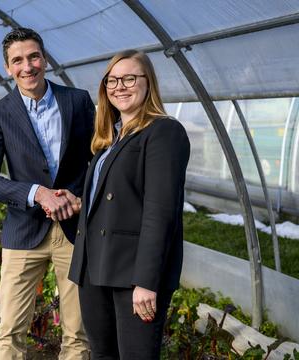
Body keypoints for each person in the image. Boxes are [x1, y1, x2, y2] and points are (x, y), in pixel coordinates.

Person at [0, 27, 95, 359]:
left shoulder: (77, 101)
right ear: (8, 68)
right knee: (10, 329)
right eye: (17, 61)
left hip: (74, 229)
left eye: (33, 57)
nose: (27, 67)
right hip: (24, 231)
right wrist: (36, 193)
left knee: (78, 332)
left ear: (45, 59)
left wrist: (78, 198)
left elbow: (98, 162)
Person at [68, 49, 190, 360]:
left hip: (133, 273)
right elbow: (116, 200)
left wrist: (147, 282)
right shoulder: (112, 138)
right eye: (112, 80)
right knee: (102, 354)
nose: (119, 87)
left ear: (148, 83)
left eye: (129, 78)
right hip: (95, 267)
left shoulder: (163, 131)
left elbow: (160, 212)